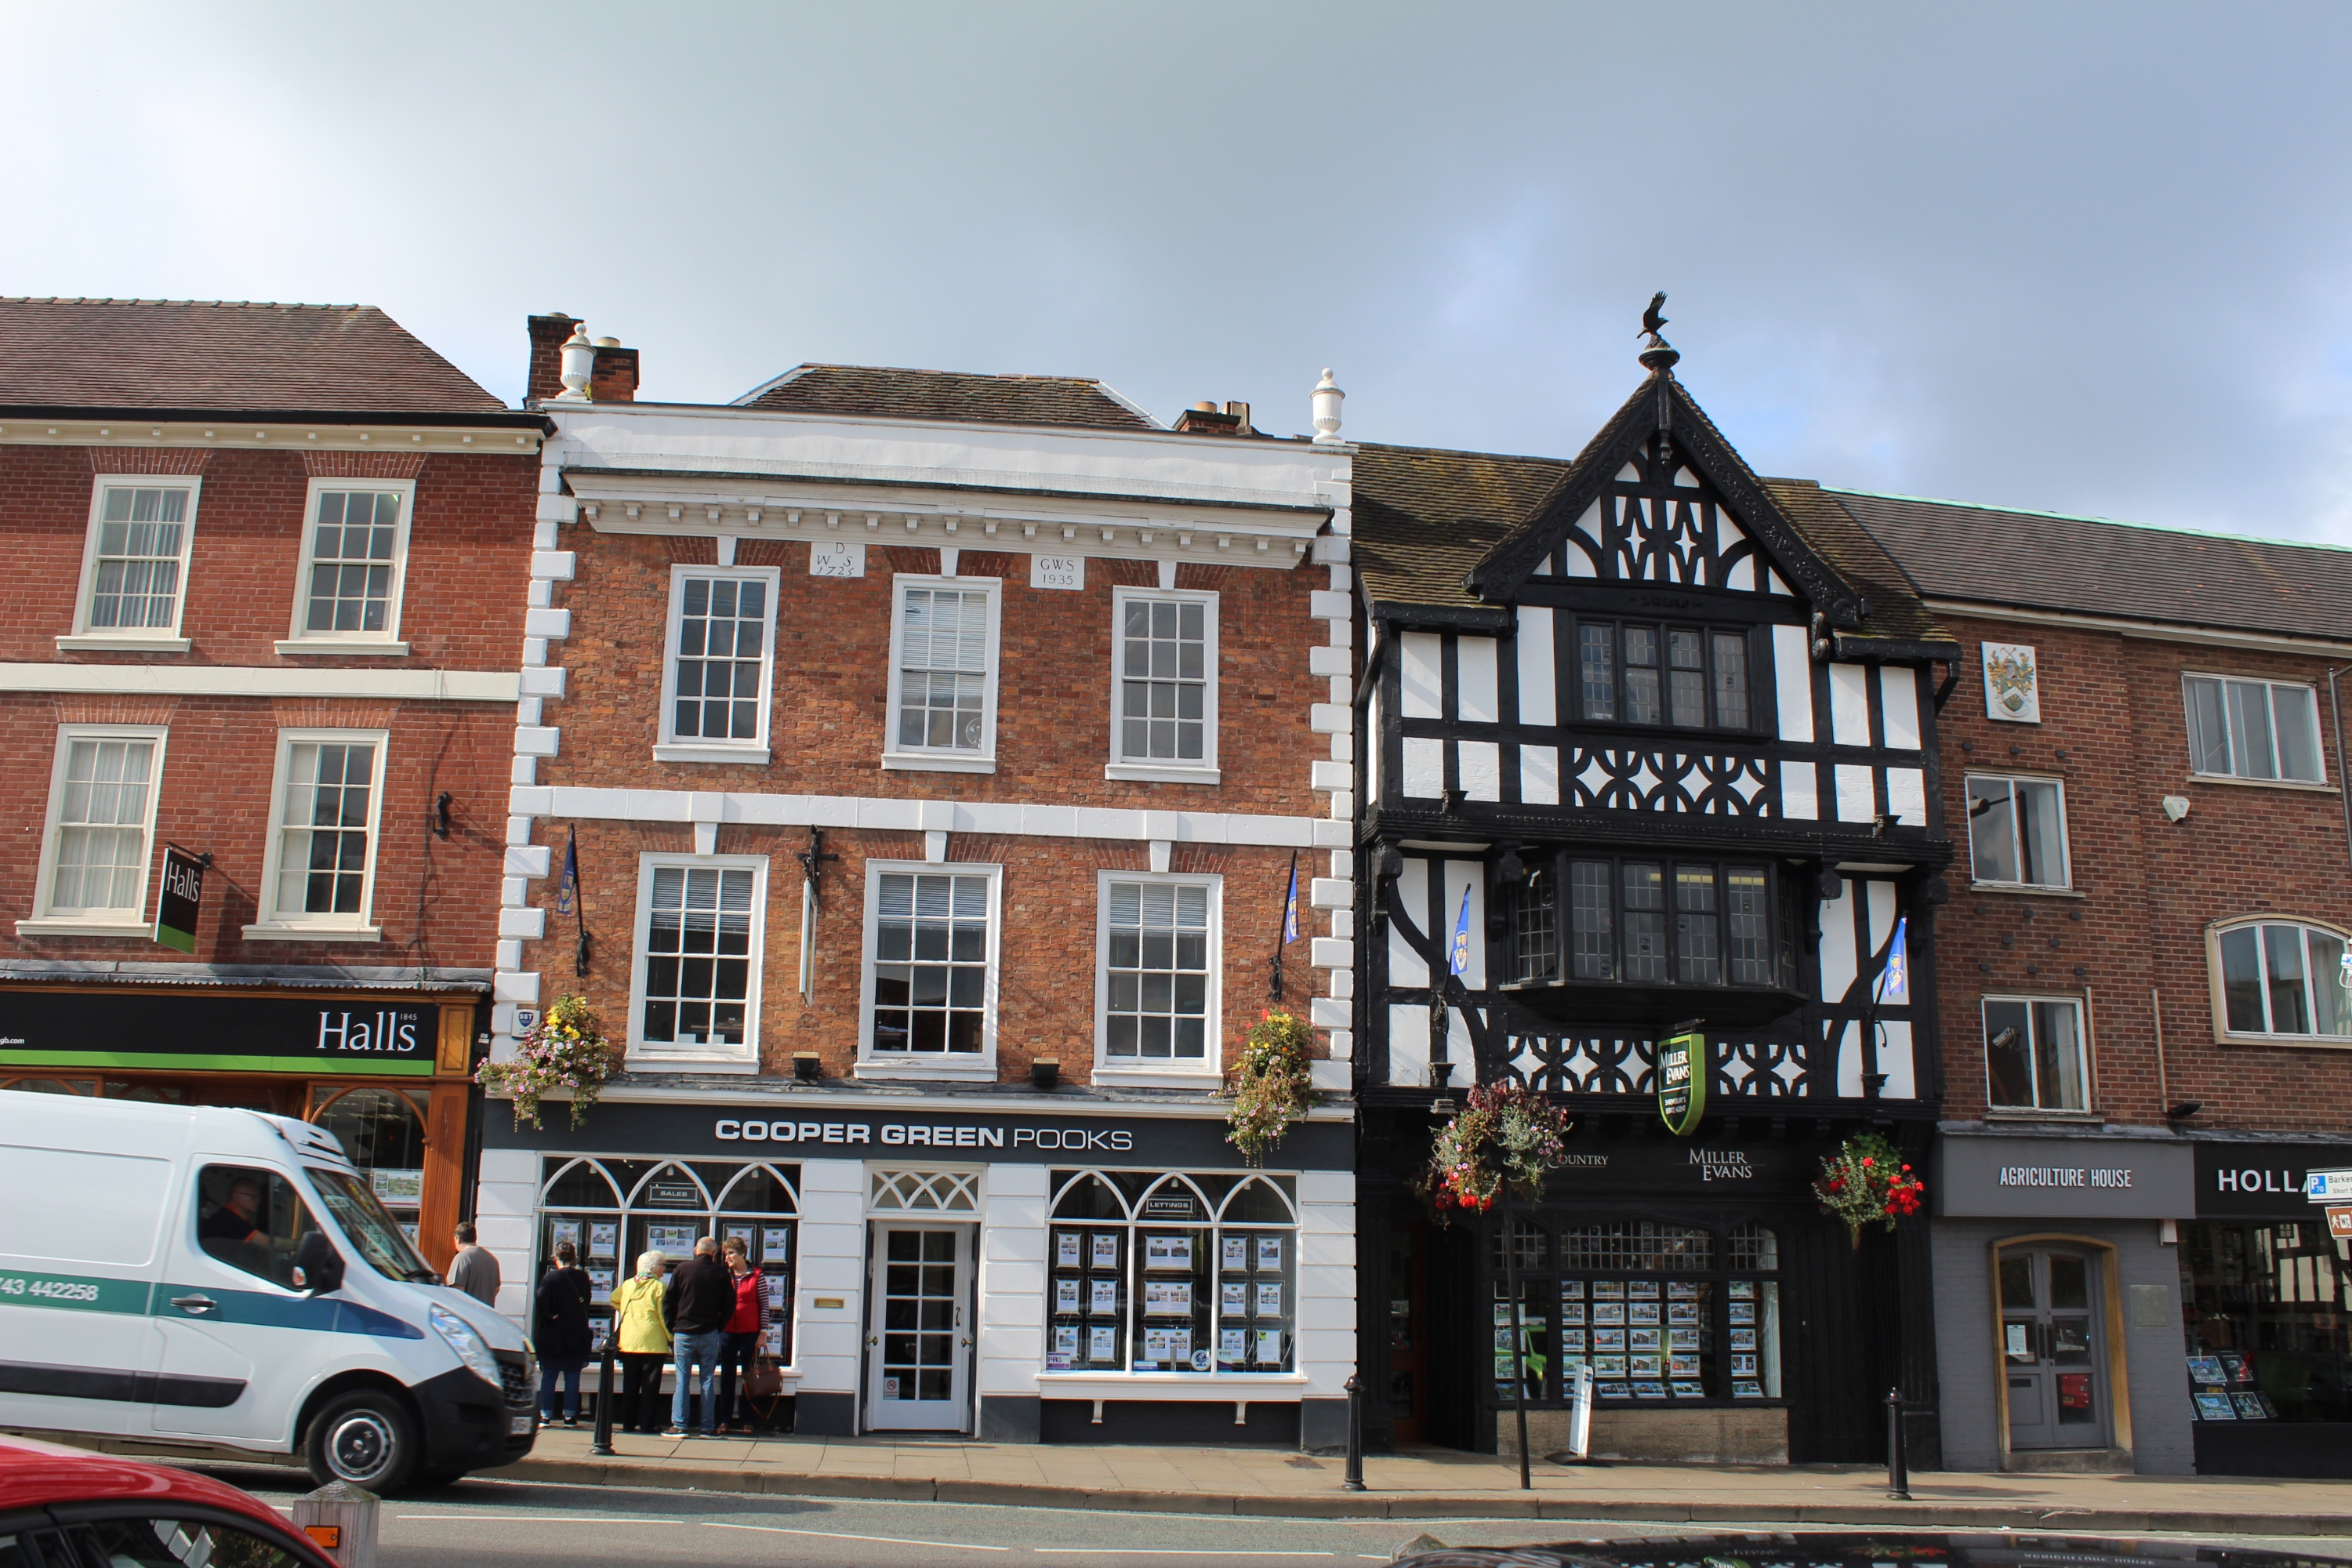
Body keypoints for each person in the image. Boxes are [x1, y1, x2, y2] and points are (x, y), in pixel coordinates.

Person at [662, 1236, 733, 1438]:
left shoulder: (682, 1269)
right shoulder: (721, 1272)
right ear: (713, 1253)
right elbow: (729, 1305)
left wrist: (672, 1326)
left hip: (684, 1332)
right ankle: (707, 1427)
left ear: (695, 1250)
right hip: (709, 1332)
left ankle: (680, 1425)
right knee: (707, 1379)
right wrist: (718, 1326)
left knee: (682, 1379)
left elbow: (668, 1302)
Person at [608, 1250, 672, 1434]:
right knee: (650, 1387)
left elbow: (613, 1298)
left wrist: (627, 1310)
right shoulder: (659, 1287)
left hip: (629, 1342)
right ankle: (647, 1424)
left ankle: (628, 1423)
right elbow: (663, 1316)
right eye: (662, 1265)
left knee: (630, 1384)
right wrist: (671, 1338)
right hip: (652, 1342)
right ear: (653, 1268)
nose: (664, 1269)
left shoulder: (628, 1284)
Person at [534, 1240, 593, 1427]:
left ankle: (546, 1415)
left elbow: (541, 1299)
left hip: (555, 1333)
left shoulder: (551, 1278)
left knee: (550, 1375)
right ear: (574, 1257)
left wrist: (550, 1316)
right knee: (573, 1376)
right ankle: (570, 1416)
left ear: (555, 1258)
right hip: (576, 1331)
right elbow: (588, 1301)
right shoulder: (582, 1277)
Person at [716, 1236, 768, 1436]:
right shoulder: (724, 1275)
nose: (727, 1257)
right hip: (727, 1331)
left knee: (749, 1377)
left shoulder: (757, 1275)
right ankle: (724, 1420)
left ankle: (748, 1420)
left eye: (731, 1253)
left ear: (742, 1254)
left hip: (750, 1332)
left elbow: (764, 1305)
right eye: (725, 1254)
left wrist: (762, 1333)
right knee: (727, 1376)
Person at [448, 1221, 501, 1307]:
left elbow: (457, 1291)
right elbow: (496, 1289)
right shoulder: (492, 1259)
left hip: (468, 1315)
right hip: (487, 1315)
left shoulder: (462, 1258)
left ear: (458, 1238)